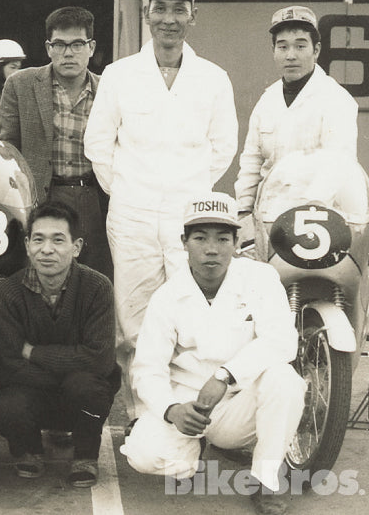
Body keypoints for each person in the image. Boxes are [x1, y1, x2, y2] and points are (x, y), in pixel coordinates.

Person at [84, 0, 238, 422]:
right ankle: (144, 414)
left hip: (188, 215)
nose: (169, 19)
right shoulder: (119, 74)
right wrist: (132, 189)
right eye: (160, 8)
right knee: (132, 319)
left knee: (189, 312)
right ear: (146, 12)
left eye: (179, 9)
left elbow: (223, 146)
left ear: (193, 14)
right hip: (131, 211)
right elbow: (99, 144)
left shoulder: (213, 78)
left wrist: (185, 194)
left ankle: (193, 410)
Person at [121, 192, 304, 515]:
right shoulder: (168, 296)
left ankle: (268, 477)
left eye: (222, 239)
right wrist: (171, 409)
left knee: (285, 380)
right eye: (200, 238)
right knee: (143, 455)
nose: (211, 249)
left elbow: (282, 341)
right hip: (189, 405)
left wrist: (225, 375)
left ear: (236, 242)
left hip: (240, 401)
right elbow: (147, 368)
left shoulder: (260, 277)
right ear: (184, 242)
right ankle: (194, 450)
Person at [0, 201, 119, 486]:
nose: (47, 249)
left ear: (77, 246)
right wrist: (68, 367)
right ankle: (28, 450)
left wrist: (32, 352)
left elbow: (102, 359)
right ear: (27, 244)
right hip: (33, 395)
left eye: (58, 240)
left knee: (87, 387)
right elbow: (7, 363)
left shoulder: (97, 287)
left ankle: (85, 455)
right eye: (39, 239)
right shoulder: (8, 291)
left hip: (79, 394)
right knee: (5, 406)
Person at [0, 6, 112, 279]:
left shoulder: (109, 88)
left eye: (77, 44)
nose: (68, 52)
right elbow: (7, 151)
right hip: (42, 198)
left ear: (91, 47)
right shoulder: (20, 84)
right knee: (39, 279)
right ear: (49, 48)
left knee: (94, 279)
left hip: (94, 200)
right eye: (59, 44)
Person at [234, 6, 358, 220]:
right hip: (268, 216)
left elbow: (338, 166)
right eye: (283, 47)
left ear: (316, 50)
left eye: (300, 46)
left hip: (320, 218)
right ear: (273, 51)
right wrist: (244, 210)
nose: (291, 55)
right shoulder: (267, 100)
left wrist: (307, 213)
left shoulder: (336, 99)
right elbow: (251, 161)